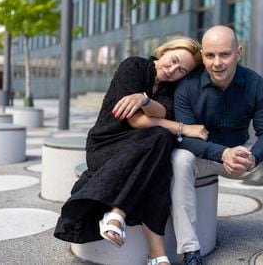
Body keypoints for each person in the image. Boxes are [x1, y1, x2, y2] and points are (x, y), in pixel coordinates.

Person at [54, 37, 209, 265]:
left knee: (159, 156)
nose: (173, 69)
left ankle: (120, 218)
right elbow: (137, 120)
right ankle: (152, 249)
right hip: (106, 144)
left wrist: (144, 99)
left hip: (141, 148)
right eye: (174, 60)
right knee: (160, 143)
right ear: (165, 51)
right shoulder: (134, 66)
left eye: (181, 70)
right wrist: (184, 129)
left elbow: (162, 112)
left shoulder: (169, 88)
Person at [171, 26, 263, 265]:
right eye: (210, 55)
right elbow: (186, 137)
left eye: (224, 54)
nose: (217, 63)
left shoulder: (255, 84)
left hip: (243, 155)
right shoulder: (187, 86)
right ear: (202, 55)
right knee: (179, 159)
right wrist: (222, 153)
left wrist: (252, 157)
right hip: (205, 156)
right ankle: (190, 252)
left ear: (238, 52)